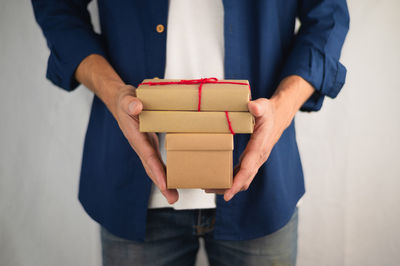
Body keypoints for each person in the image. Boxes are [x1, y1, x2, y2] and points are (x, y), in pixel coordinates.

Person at [32, 0, 349, 265]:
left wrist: (281, 108)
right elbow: (57, 9)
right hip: (131, 186)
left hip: (261, 189)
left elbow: (328, 15)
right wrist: (114, 94)